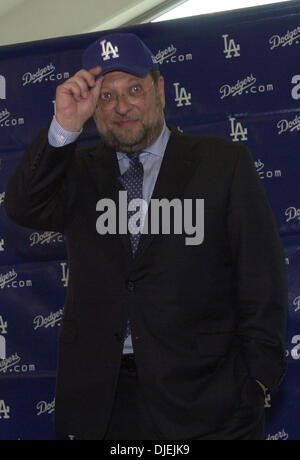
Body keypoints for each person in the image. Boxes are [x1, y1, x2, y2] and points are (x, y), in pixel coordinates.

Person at [4, 32, 288, 440]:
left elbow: (261, 277)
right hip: (103, 403)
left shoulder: (223, 162)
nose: (121, 107)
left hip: (207, 403)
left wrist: (256, 381)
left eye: (134, 89)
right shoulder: (77, 171)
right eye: (106, 96)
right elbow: (22, 207)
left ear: (160, 90)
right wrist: (63, 125)